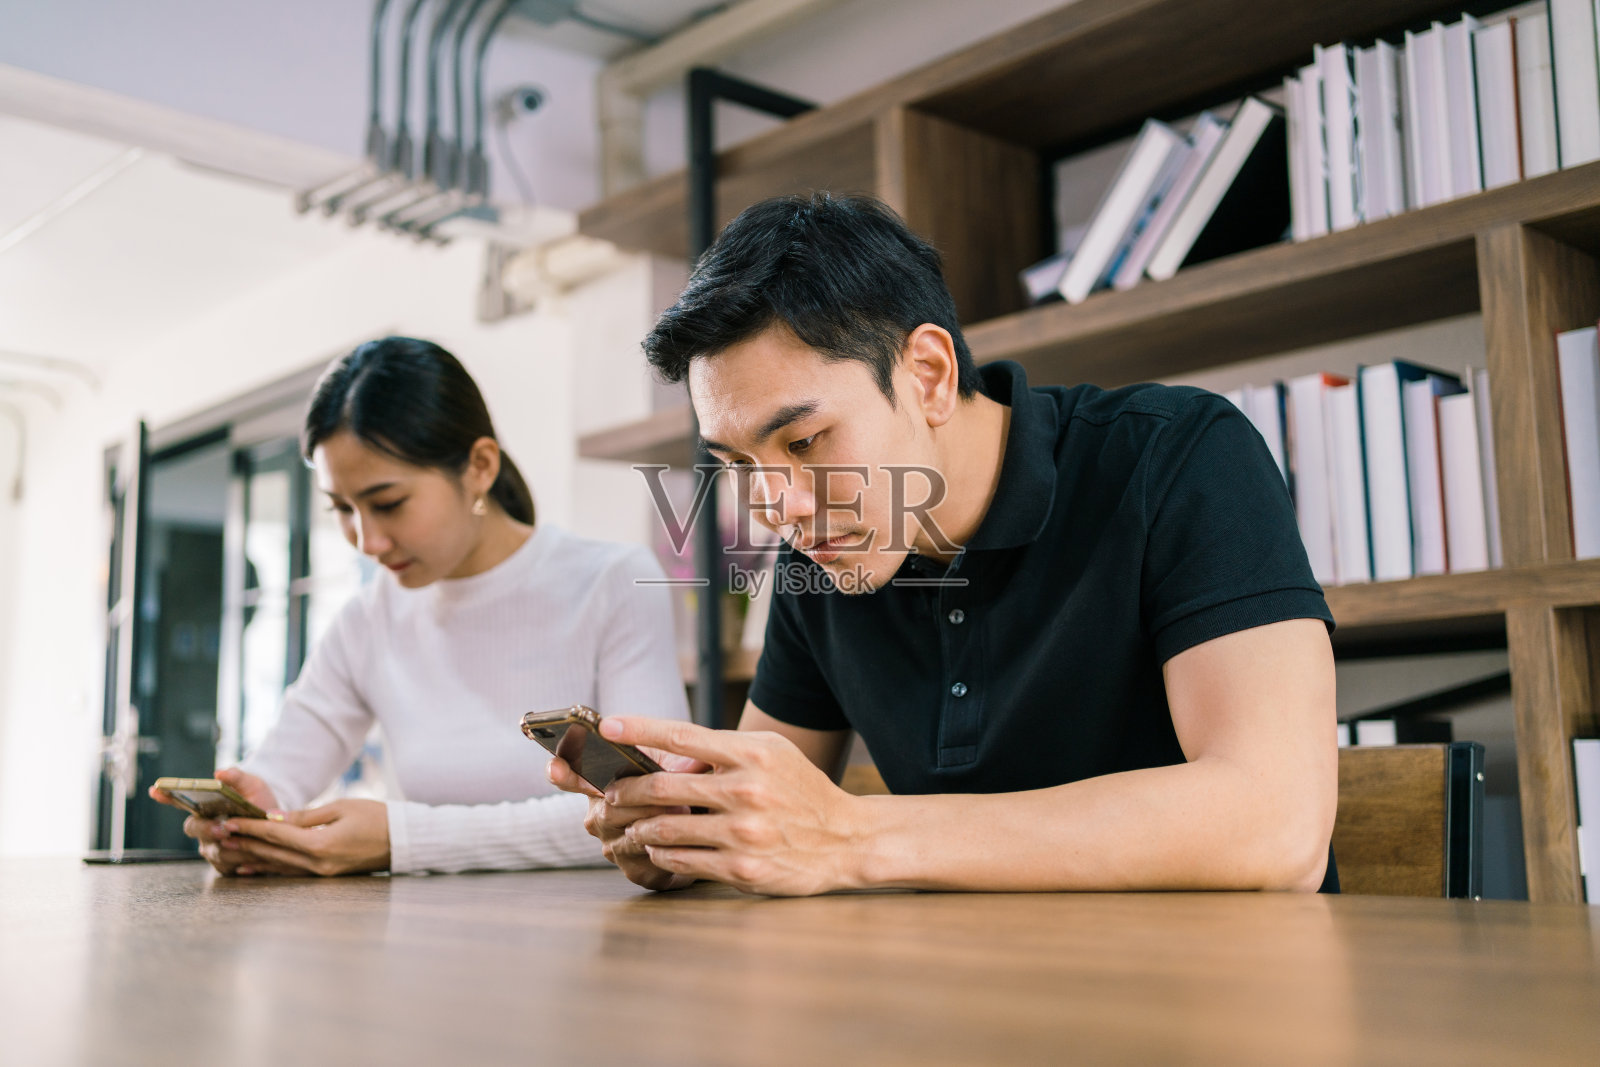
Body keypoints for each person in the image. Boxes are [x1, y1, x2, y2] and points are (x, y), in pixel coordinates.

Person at [551, 193, 1339, 896]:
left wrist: (854, 836)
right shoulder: (819, 557)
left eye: (805, 440)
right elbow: (766, 800)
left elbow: (1276, 824)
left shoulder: (1178, 455)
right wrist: (687, 830)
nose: (777, 509)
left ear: (927, 373)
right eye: (738, 465)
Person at [151, 336, 688, 876]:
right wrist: (248, 813)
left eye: (388, 504)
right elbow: (280, 771)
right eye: (342, 508)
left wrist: (402, 838)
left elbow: (656, 807)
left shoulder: (614, 581)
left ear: (479, 466)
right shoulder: (366, 620)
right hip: (420, 939)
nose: (366, 541)